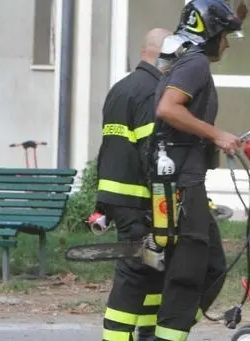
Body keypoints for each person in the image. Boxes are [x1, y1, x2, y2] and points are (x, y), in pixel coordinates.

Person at [146, 1, 243, 340]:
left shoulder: (184, 61)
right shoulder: (196, 63)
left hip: (186, 181)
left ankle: (161, 331)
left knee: (213, 264)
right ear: (211, 32)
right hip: (182, 185)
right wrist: (216, 134)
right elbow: (168, 108)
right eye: (226, 36)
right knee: (190, 272)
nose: (227, 44)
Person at [95, 27, 172, 341]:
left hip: (116, 195)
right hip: (138, 198)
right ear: (162, 54)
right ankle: (117, 337)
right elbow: (151, 153)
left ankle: (148, 333)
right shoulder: (151, 91)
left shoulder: (121, 87)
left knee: (153, 266)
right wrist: (164, 199)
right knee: (134, 271)